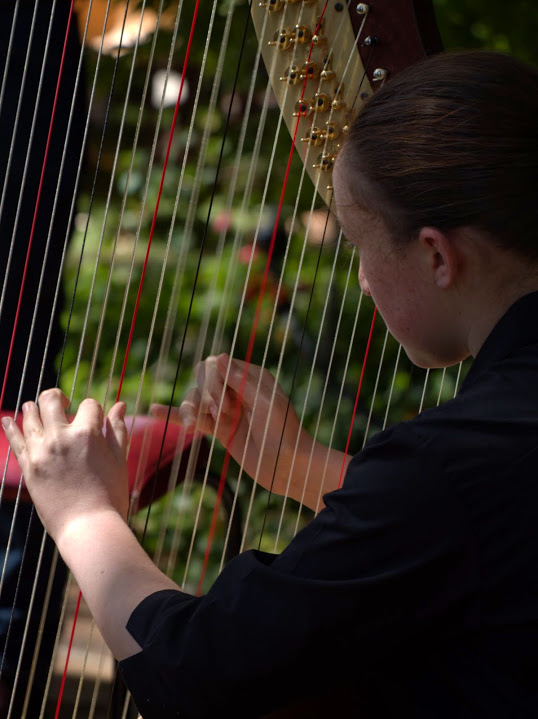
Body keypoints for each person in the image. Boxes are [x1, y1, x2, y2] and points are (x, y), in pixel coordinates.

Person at [3, 48, 538, 718]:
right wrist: (300, 465)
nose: (365, 277)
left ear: (435, 253)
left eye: (357, 243)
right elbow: (478, 537)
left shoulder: (449, 462)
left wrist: (82, 513)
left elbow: (203, 674)